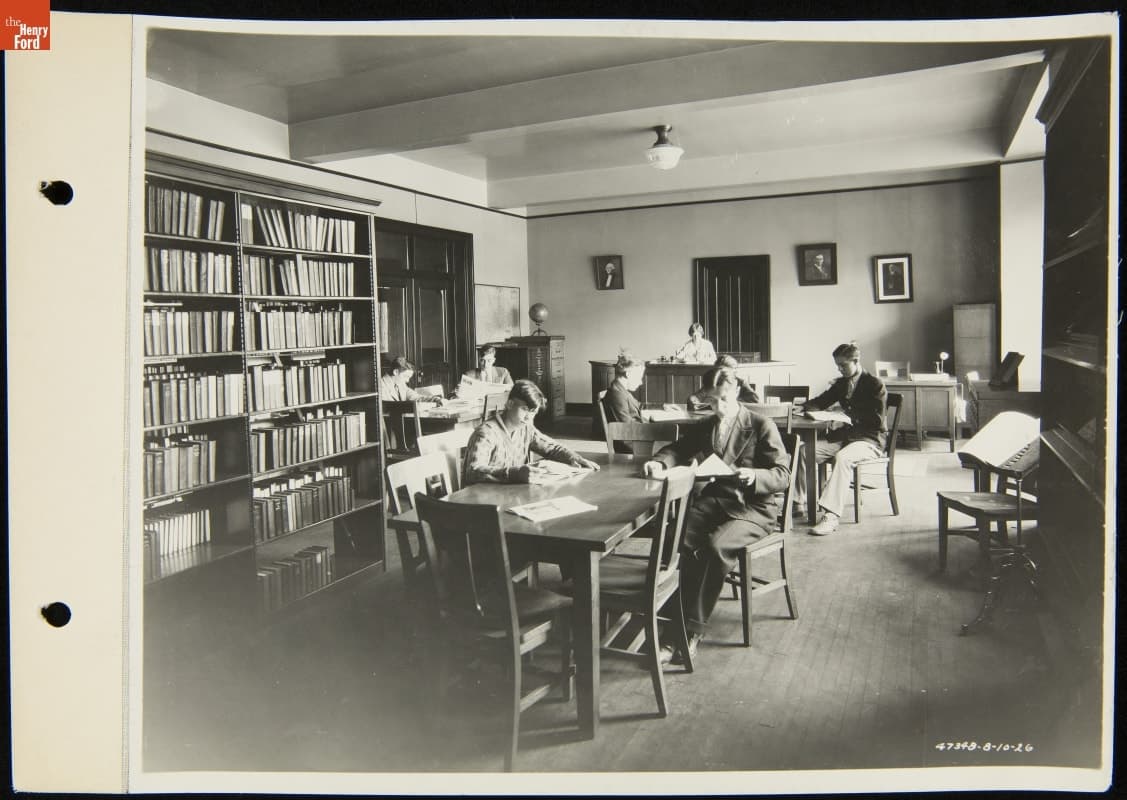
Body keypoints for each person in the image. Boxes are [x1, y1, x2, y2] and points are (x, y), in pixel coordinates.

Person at [642, 367, 790, 662]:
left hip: (754, 508)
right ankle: (667, 614)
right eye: (712, 401)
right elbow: (678, 448)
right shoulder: (708, 423)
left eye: (723, 399)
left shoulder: (761, 424)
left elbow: (782, 474)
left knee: (715, 546)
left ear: (736, 392)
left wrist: (755, 475)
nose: (718, 407)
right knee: (675, 536)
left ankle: (689, 631)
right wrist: (660, 462)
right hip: (718, 501)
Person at [794, 342, 888, 535]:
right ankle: (797, 502)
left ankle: (831, 516)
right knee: (803, 451)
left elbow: (877, 420)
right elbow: (822, 401)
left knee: (843, 458)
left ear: (856, 361)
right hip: (845, 439)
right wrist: (803, 407)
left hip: (869, 440)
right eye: (837, 365)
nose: (839, 369)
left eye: (843, 365)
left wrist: (847, 417)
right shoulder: (842, 383)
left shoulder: (875, 384)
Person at [463, 379, 600, 485]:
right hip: (484, 500)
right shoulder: (486, 433)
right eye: (524, 409)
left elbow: (552, 448)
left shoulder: (526, 428)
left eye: (533, 412)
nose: (529, 417)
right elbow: (473, 472)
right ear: (510, 404)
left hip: (512, 494)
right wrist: (515, 473)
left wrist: (575, 458)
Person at [601, 353, 646, 453]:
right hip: (634, 446)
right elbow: (626, 430)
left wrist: (662, 406)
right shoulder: (617, 395)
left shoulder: (621, 390)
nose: (641, 382)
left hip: (638, 438)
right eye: (639, 377)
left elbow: (638, 406)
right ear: (628, 374)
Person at [686, 354, 759, 407]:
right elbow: (697, 396)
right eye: (718, 371)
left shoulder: (741, 383)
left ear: (734, 371)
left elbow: (755, 402)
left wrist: (732, 403)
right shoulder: (714, 382)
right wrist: (692, 400)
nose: (720, 375)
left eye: (724, 372)